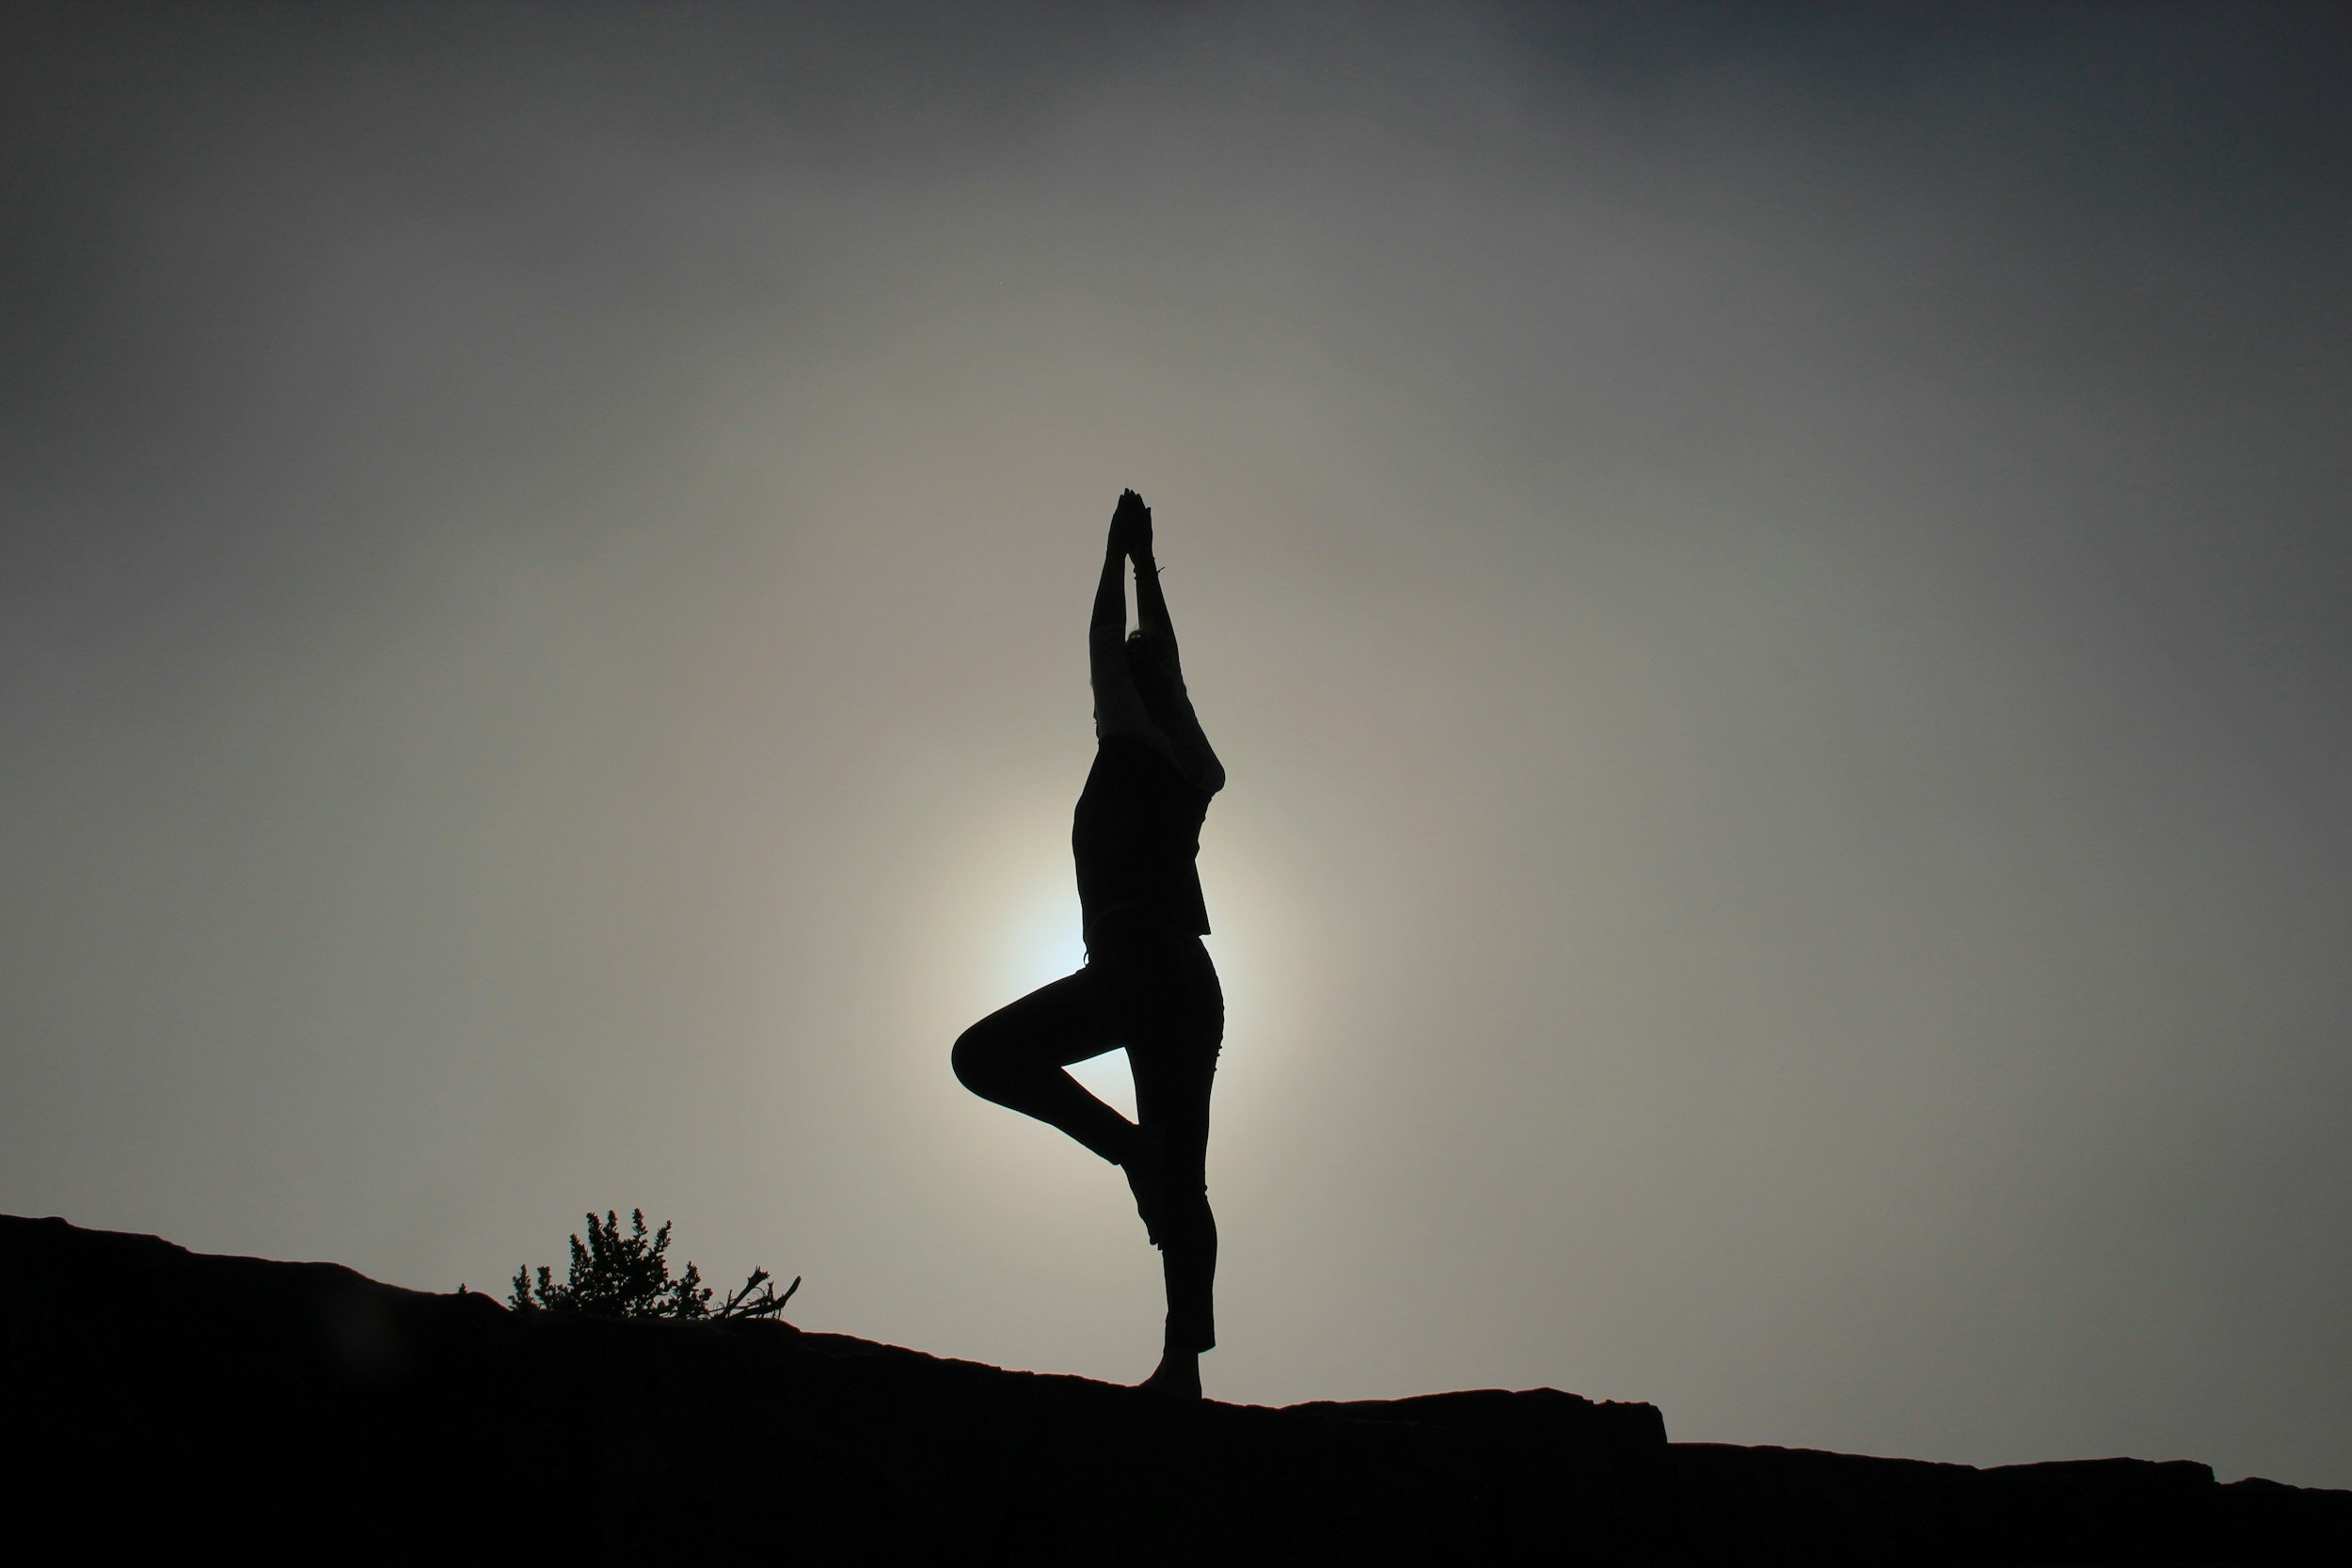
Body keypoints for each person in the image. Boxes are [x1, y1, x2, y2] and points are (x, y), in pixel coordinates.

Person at [952, 488, 1227, 1399]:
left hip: (1137, 958)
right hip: (1192, 978)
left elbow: (1113, 645)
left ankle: (1127, 1151)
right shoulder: (1191, 763)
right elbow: (1167, 662)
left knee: (983, 1054)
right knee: (1186, 1174)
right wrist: (1149, 566)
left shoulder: (1132, 736)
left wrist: (1118, 558)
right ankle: (1182, 1364)